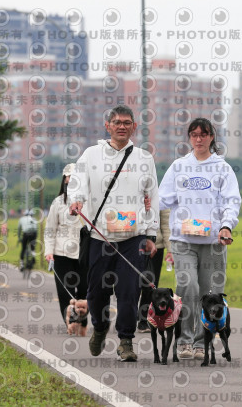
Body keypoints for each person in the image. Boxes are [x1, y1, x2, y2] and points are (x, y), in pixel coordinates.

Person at [69, 104, 159, 362]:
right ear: (107, 126)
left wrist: (151, 236)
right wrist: (75, 201)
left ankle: (126, 341)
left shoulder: (144, 159)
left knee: (129, 290)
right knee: (97, 292)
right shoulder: (91, 155)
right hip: (99, 235)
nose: (122, 126)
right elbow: (78, 185)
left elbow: (152, 197)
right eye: (117, 122)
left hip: (134, 237)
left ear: (134, 127)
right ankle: (99, 326)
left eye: (127, 122)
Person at [158, 117, 241, 360]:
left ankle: (200, 342)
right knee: (188, 286)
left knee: (210, 292)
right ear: (189, 138)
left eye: (203, 134)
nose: (199, 138)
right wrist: (145, 198)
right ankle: (183, 340)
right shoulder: (178, 166)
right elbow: (162, 198)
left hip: (214, 242)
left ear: (212, 137)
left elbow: (231, 201)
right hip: (183, 240)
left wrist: (226, 226)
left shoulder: (222, 168)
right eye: (194, 134)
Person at [44, 163, 88, 335]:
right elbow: (50, 229)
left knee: (84, 290)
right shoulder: (57, 203)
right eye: (68, 178)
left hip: (84, 253)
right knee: (65, 292)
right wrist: (49, 251)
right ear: (64, 180)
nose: (70, 181)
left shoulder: (89, 203)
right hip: (61, 253)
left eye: (74, 179)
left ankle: (82, 320)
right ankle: (70, 322)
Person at [137, 209, 172, 332]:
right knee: (132, 283)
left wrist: (170, 250)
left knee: (151, 285)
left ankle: (143, 319)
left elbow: (165, 226)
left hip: (156, 247)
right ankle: (129, 317)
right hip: (134, 244)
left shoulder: (160, 197)